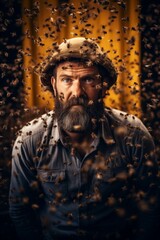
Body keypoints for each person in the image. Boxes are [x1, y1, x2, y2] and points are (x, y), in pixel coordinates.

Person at [9, 37, 159, 240]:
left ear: (103, 85)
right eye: (67, 79)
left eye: (88, 79)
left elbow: (151, 204)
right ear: (54, 85)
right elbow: (20, 210)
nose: (77, 91)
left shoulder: (134, 135)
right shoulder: (29, 139)